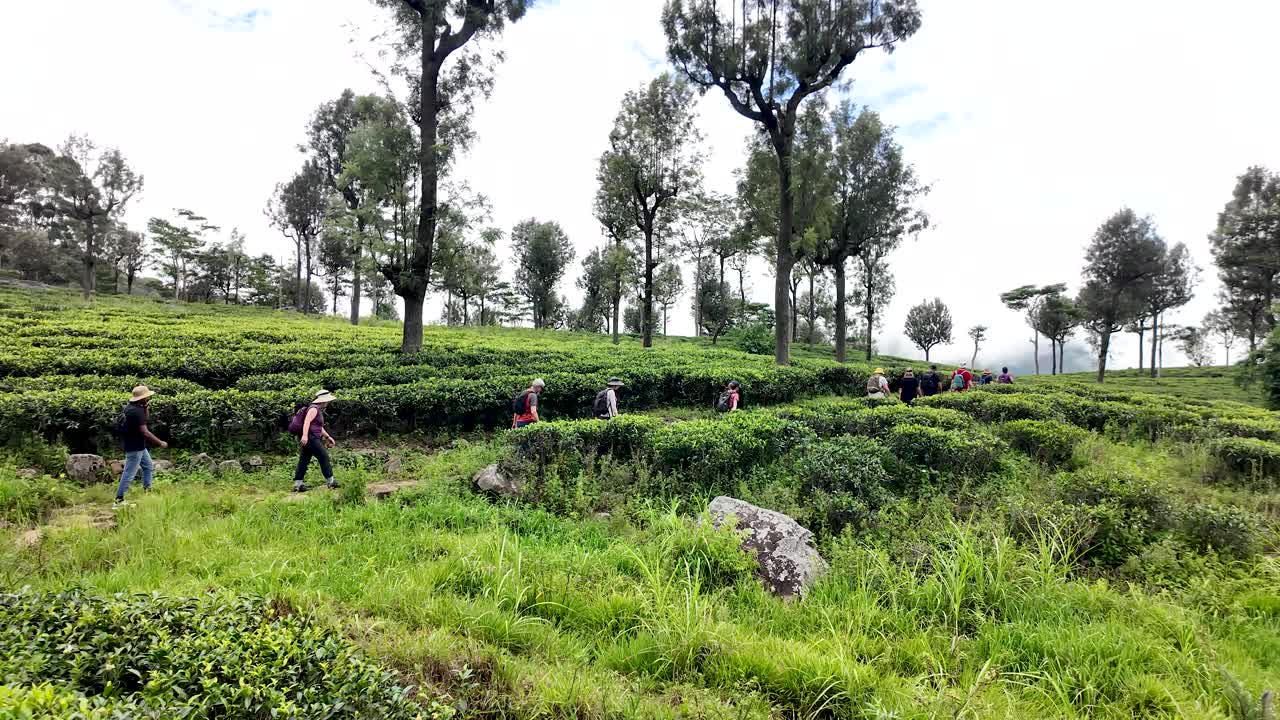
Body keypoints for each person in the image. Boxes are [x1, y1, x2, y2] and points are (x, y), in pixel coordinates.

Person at [114, 385, 168, 506]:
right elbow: (145, 431)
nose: (148, 398)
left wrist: (146, 407)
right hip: (134, 447)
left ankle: (147, 492)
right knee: (129, 473)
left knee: (148, 467)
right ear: (142, 398)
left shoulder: (132, 407)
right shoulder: (136, 412)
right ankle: (119, 500)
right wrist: (160, 442)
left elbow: (145, 419)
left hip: (139, 446)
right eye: (147, 396)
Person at [290, 390, 338, 493]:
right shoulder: (314, 409)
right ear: (323, 401)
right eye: (327, 400)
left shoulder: (316, 409)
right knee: (323, 456)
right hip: (311, 438)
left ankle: (298, 484)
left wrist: (327, 437)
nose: (328, 402)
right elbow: (307, 422)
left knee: (304, 459)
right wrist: (305, 436)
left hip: (312, 436)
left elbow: (318, 427)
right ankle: (331, 481)